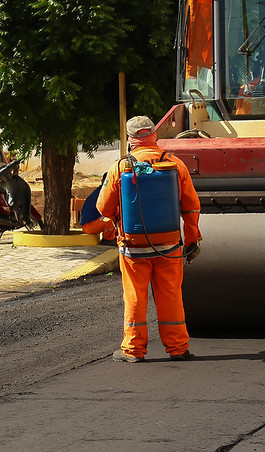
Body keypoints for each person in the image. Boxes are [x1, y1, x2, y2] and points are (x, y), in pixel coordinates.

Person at [97, 116, 202, 363]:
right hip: (169, 246)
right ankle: (177, 348)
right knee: (171, 296)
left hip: (133, 247)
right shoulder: (175, 164)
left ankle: (133, 351)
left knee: (135, 296)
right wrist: (191, 240)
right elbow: (191, 207)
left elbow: (103, 207)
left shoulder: (121, 167)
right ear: (153, 135)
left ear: (131, 139)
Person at [80, 173, 115, 245]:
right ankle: (108, 240)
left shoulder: (102, 191)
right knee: (110, 219)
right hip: (88, 226)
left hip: (93, 223)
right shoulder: (103, 193)